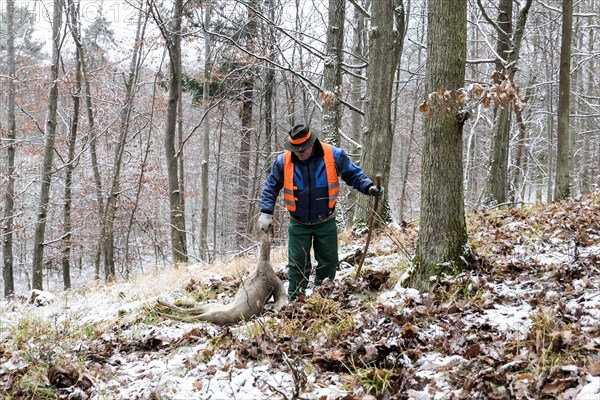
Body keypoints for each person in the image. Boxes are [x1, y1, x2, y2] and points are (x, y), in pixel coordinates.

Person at [258, 124, 384, 300]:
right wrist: (266, 212)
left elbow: (353, 175)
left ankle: (323, 297)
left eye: (303, 149)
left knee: (329, 263)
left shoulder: (333, 155)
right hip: (298, 222)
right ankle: (296, 300)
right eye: (296, 149)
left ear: (312, 143)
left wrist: (369, 187)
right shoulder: (283, 161)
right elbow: (271, 186)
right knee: (297, 265)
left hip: (326, 221)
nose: (299, 153)